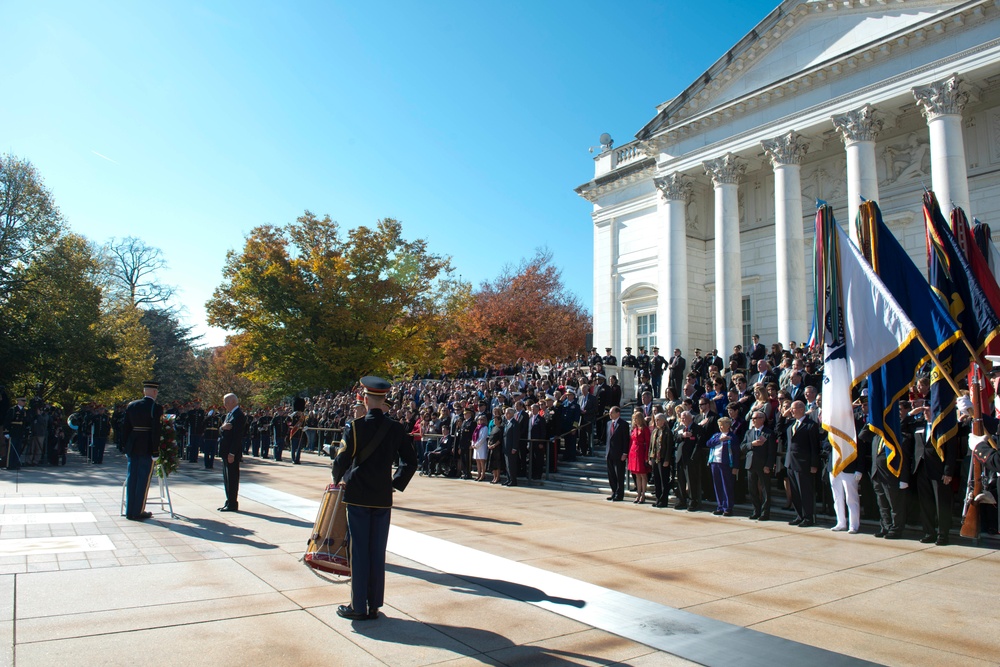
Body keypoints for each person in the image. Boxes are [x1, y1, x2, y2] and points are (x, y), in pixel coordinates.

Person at [333, 376, 417, 621]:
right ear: (383, 400)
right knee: (377, 551)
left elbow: (341, 459)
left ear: (366, 400)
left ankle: (358, 606)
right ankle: (373, 605)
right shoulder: (396, 428)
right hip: (382, 496)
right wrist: (394, 484)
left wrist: (338, 478)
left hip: (358, 495)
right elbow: (410, 461)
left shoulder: (355, 427)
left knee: (359, 551)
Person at [122, 381, 162, 521]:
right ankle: (138, 510)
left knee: (132, 477)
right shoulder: (155, 407)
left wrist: (125, 446)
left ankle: (129, 510)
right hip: (146, 446)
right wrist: (155, 450)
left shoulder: (132, 405)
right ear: (154, 392)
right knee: (143, 478)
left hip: (133, 445)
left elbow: (125, 427)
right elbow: (156, 430)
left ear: (144, 391)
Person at [785, 400, 821, 527]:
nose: (791, 411)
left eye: (793, 408)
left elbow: (814, 446)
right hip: (791, 463)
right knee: (795, 491)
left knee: (805, 492)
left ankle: (808, 517)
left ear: (801, 409)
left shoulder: (810, 425)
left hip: (804, 463)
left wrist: (814, 464)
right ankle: (799, 515)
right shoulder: (791, 425)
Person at [741, 410, 777, 521]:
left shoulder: (768, 433)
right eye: (752, 418)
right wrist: (751, 444)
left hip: (763, 464)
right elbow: (742, 447)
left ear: (762, 419)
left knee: (765, 489)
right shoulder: (749, 432)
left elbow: (772, 451)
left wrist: (768, 465)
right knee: (752, 489)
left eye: (755, 418)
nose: (753, 420)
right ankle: (756, 511)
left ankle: (765, 513)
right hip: (751, 464)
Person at [218, 393, 246, 512]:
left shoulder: (239, 415)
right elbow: (222, 429)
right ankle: (229, 500)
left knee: (232, 478)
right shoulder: (229, 414)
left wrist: (232, 453)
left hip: (231, 453)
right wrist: (222, 427)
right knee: (227, 478)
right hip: (225, 451)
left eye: (226, 402)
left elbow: (237, 437)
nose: (224, 405)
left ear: (233, 402)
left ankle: (233, 503)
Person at [706, 416, 740, 516]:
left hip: (726, 464)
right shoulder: (716, 435)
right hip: (715, 462)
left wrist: (735, 466)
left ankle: (728, 507)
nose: (720, 427)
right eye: (719, 425)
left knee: (727, 486)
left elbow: (736, 453)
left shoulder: (732, 437)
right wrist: (720, 440)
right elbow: (708, 443)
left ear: (728, 425)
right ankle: (720, 506)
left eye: (722, 425)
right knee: (718, 485)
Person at [648, 413, 673, 508]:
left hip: (663, 458)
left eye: (658, 420)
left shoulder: (667, 432)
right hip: (655, 458)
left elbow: (669, 447)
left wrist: (667, 459)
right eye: (656, 420)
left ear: (663, 421)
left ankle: (663, 500)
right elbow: (651, 445)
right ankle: (658, 499)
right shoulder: (655, 431)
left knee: (663, 480)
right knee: (657, 479)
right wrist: (650, 457)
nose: (656, 421)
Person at [605, 406, 629, 502]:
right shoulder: (608, 423)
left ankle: (619, 494)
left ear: (618, 413)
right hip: (609, 453)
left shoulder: (623, 424)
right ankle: (614, 492)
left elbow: (625, 439)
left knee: (619, 475)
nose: (610, 414)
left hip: (619, 454)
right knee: (611, 475)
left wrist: (625, 453)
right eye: (609, 412)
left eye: (612, 412)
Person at [628, 411, 651, 504]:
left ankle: (643, 494)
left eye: (636, 418)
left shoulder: (645, 429)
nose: (635, 420)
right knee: (636, 475)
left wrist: (647, 456)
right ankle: (638, 493)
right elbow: (631, 441)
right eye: (634, 418)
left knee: (643, 474)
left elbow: (648, 443)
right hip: (633, 452)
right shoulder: (634, 429)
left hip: (641, 452)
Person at [472, 413, 489, 481]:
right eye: (479, 419)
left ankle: (483, 474)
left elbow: (483, 438)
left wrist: (477, 444)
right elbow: (473, 436)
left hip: (481, 446)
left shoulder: (485, 428)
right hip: (476, 446)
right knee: (477, 460)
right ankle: (478, 474)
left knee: (482, 461)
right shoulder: (477, 427)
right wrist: (473, 444)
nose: (480, 421)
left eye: (481, 419)